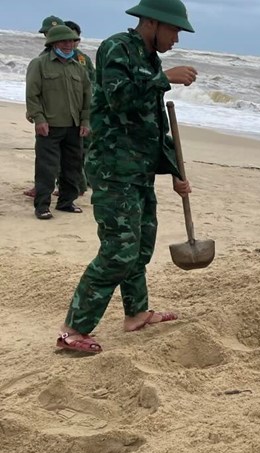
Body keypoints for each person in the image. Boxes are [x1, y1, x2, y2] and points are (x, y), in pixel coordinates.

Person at [55, 0, 199, 353]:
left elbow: (153, 124)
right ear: (152, 22)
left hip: (139, 170)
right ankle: (73, 329)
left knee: (141, 246)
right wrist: (163, 79)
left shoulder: (150, 58)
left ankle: (136, 313)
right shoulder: (116, 47)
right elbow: (119, 98)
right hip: (113, 168)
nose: (177, 38)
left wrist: (174, 170)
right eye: (174, 29)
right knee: (119, 251)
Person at [25, 25, 91, 219]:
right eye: (64, 41)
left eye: (71, 41)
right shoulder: (39, 64)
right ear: (53, 43)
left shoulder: (78, 68)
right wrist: (38, 119)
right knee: (47, 168)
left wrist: (85, 121)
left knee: (72, 167)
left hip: (74, 126)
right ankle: (42, 206)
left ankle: (66, 202)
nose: (69, 44)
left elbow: (87, 96)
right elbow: (32, 95)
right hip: (49, 126)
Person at [24, 15, 66, 198]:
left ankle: (68, 188)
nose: (50, 36)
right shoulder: (41, 60)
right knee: (45, 154)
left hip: (70, 115)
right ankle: (42, 187)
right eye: (48, 33)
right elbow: (34, 89)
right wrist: (34, 112)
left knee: (69, 155)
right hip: (48, 114)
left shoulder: (77, 59)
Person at [64, 20, 95, 194]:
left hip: (84, 110)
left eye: (75, 39)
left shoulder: (83, 59)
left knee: (85, 148)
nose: (71, 43)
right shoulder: (53, 57)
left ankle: (84, 181)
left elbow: (94, 83)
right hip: (64, 111)